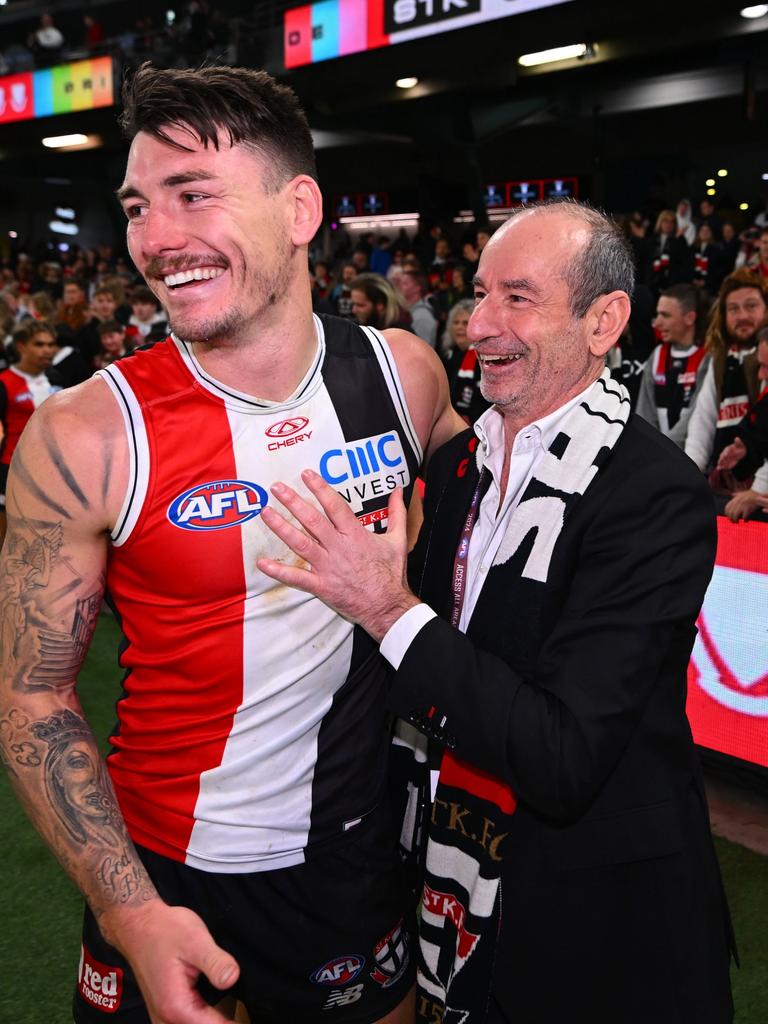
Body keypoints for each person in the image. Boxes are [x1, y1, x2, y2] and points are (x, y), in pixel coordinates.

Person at [0, 63, 462, 1024]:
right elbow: (32, 692)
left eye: (192, 194)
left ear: (299, 209)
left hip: (352, 851)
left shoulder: (404, 378)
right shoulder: (90, 435)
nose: (156, 240)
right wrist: (129, 913)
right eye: (136, 206)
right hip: (164, 866)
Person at [258, 200, 735, 1024]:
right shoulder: (458, 469)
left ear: (604, 321)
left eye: (518, 297)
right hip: (450, 898)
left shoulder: (654, 494)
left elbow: (561, 754)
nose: (480, 325)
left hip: (603, 940)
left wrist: (385, 607)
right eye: (479, 295)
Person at [0, 321, 59, 546]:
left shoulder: (59, 380)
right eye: (40, 344)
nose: (47, 350)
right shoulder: (4, 383)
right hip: (11, 468)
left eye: (51, 345)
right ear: (21, 346)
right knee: (9, 542)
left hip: (54, 470)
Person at [635, 283, 708, 447]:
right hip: (658, 455)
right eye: (657, 315)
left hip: (692, 457)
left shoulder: (707, 357)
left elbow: (698, 413)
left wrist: (667, 450)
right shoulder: (657, 355)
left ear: (690, 318)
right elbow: (644, 414)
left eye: (665, 315)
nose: (657, 323)